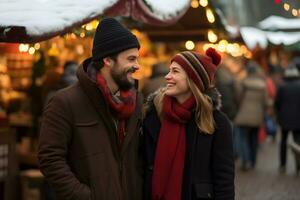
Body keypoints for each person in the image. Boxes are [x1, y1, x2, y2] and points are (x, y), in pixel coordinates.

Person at [38, 18, 143, 200]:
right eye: (131, 59)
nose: (137, 66)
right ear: (108, 60)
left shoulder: (136, 102)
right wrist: (85, 196)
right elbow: (50, 159)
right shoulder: (65, 101)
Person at [143, 48, 235, 200]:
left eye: (175, 71)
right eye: (169, 70)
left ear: (193, 79)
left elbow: (224, 179)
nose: (167, 77)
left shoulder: (216, 122)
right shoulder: (154, 115)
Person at [275, 66, 300, 173]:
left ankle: (282, 165)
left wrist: (279, 115)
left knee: (283, 142)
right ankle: (298, 165)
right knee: (297, 143)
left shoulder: (281, 87)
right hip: (298, 119)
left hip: (284, 119)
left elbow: (277, 103)